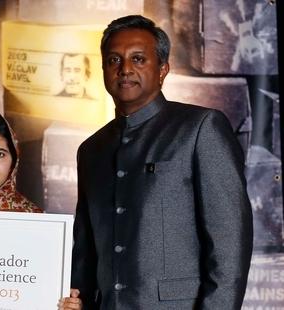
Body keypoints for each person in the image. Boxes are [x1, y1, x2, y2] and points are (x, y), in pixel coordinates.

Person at [61, 15, 253, 309]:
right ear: (102, 70)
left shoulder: (200, 128)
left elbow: (229, 247)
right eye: (114, 60)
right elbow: (85, 254)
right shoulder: (91, 150)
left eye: (138, 59)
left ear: (163, 69)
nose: (125, 69)